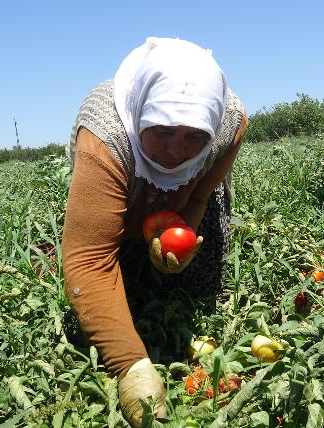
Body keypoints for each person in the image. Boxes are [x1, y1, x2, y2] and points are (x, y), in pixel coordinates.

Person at [61, 37, 248, 426]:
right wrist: (130, 366)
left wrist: (182, 240)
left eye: (193, 136)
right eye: (161, 131)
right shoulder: (106, 137)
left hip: (186, 199)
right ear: (142, 115)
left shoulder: (228, 123)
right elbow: (90, 256)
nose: (175, 151)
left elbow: (198, 195)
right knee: (115, 269)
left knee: (191, 282)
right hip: (119, 183)